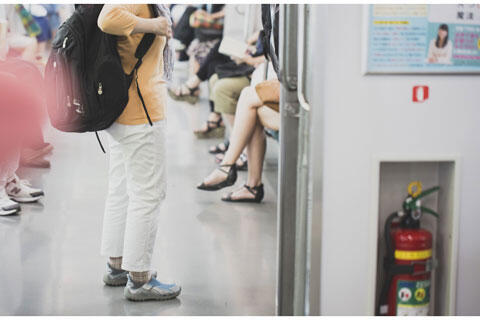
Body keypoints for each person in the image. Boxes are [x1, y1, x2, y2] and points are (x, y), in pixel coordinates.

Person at [97, 4, 181, 301]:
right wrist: (154, 26)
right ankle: (140, 279)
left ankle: (118, 265)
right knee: (148, 194)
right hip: (141, 111)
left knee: (121, 190)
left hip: (123, 109)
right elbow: (107, 18)